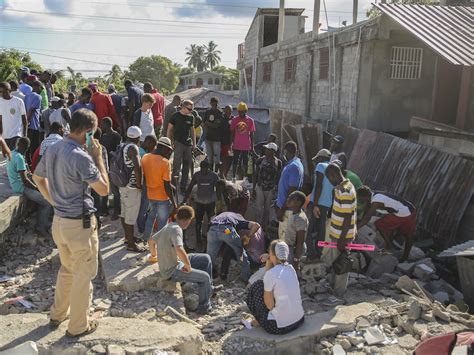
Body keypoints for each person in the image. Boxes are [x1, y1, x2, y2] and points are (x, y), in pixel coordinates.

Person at [33, 108, 109, 337]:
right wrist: (98, 157)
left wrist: (54, 201)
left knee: (67, 269)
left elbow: (37, 177)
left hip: (60, 221)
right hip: (80, 225)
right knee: (83, 276)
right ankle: (78, 326)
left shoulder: (54, 146)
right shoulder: (81, 156)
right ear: (88, 132)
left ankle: (58, 314)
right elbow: (104, 190)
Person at [155, 205, 219, 314]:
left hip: (174, 262)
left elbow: (151, 241)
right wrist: (188, 267)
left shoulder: (169, 225)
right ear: (186, 221)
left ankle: (209, 289)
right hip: (171, 271)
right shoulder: (177, 230)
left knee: (206, 259)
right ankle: (204, 308)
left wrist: (154, 255)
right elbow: (179, 249)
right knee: (204, 277)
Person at [246, 240, 304, 335]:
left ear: (273, 255)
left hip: (281, 327)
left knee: (257, 286)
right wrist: (270, 258)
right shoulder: (291, 268)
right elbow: (270, 278)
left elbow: (269, 305)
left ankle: (259, 320)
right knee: (269, 287)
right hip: (299, 320)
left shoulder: (271, 274)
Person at [6, 137, 52, 236]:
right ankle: (40, 228)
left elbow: (24, 174)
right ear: (26, 147)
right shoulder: (19, 158)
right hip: (21, 187)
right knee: (47, 202)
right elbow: (25, 180)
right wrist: (37, 188)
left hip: (15, 184)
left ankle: (35, 219)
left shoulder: (12, 153)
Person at [323, 163, 357, 298]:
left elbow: (348, 216)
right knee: (336, 262)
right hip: (337, 233)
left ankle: (339, 294)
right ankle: (334, 288)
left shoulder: (345, 191)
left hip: (342, 235)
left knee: (342, 264)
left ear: (333, 175)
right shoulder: (342, 187)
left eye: (329, 178)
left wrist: (343, 238)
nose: (329, 181)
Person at [357, 186, 416, 262]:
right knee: (408, 235)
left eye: (360, 198)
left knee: (380, 225)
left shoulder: (376, 201)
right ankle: (404, 257)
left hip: (402, 212)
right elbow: (366, 213)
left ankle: (389, 247)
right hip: (411, 209)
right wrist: (359, 222)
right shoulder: (373, 195)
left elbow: (367, 218)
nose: (359, 200)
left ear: (364, 197)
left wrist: (354, 230)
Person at [141, 136, 176, 263]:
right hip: (162, 197)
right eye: (168, 151)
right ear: (162, 147)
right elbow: (167, 185)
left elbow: (144, 178)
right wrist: (175, 203)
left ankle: (146, 241)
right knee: (162, 224)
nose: (168, 153)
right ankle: (160, 247)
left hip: (150, 195)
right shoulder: (165, 162)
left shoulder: (145, 158)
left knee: (150, 218)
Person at [207, 211, 260, 281]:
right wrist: (248, 237)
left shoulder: (221, 216)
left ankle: (207, 277)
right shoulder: (239, 219)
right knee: (241, 253)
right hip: (227, 230)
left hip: (212, 230)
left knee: (210, 257)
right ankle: (246, 277)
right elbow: (257, 225)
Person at [183, 159, 219, 251]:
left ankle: (208, 239)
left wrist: (220, 200)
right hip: (199, 203)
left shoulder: (214, 176)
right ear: (200, 168)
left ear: (208, 168)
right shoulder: (197, 175)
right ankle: (199, 240)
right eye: (202, 169)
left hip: (211, 203)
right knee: (198, 222)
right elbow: (190, 187)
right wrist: (184, 200)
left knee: (211, 222)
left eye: (205, 169)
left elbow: (219, 188)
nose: (203, 171)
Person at [119, 126, 144, 252]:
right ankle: (131, 244)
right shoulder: (133, 148)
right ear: (138, 137)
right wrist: (139, 185)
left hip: (123, 185)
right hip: (132, 186)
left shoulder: (123, 145)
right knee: (130, 216)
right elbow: (137, 168)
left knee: (124, 213)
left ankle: (128, 237)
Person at [306, 149, 333, 261]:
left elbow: (318, 186)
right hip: (327, 203)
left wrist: (315, 204)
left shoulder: (321, 166)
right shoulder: (333, 169)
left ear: (321, 158)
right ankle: (318, 252)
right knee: (321, 229)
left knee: (308, 227)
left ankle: (310, 253)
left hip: (316, 202)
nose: (316, 162)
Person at [275, 141, 304, 241]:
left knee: (285, 240)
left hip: (287, 210)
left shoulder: (294, 166)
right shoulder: (293, 164)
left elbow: (292, 191)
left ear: (287, 151)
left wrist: (282, 209)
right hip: (285, 207)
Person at [167, 99, 196, 193]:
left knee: (186, 165)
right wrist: (169, 142)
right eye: (189, 109)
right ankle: (173, 186)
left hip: (188, 144)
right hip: (178, 143)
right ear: (183, 107)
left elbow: (192, 131)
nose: (191, 111)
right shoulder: (175, 116)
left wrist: (194, 143)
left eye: (192, 109)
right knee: (176, 165)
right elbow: (169, 129)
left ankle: (183, 187)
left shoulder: (191, 117)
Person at [253, 142, 281, 232]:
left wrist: (276, 188)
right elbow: (256, 174)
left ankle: (264, 228)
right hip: (260, 187)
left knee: (267, 210)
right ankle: (258, 227)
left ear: (272, 151)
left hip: (270, 189)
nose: (265, 150)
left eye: (267, 149)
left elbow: (278, 176)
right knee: (258, 209)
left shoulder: (278, 162)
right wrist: (254, 187)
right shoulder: (260, 160)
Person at [99, 117, 122, 220]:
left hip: (113, 167)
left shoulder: (116, 136)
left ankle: (117, 211)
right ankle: (104, 209)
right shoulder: (103, 137)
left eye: (103, 124)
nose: (101, 126)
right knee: (105, 189)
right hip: (105, 166)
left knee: (115, 190)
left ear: (108, 125)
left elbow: (118, 151)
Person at [136, 135, 158, 234]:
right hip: (143, 184)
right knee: (143, 207)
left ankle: (142, 225)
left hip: (138, 183)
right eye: (153, 146)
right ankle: (142, 228)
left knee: (143, 206)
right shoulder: (143, 155)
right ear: (148, 143)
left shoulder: (139, 150)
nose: (153, 148)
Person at [283, 191, 308, 270]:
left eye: (291, 199)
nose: (288, 200)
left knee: (292, 271)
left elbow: (300, 242)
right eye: (288, 198)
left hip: (294, 250)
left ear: (298, 203)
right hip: (290, 248)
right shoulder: (294, 213)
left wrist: (296, 260)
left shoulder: (300, 219)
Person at [231, 102, 256, 181]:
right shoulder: (235, 120)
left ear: (246, 111)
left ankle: (245, 178)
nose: (241, 113)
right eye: (239, 111)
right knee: (235, 161)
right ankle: (233, 177)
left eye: (243, 111)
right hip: (236, 144)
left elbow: (252, 134)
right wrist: (231, 144)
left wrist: (252, 146)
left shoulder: (250, 120)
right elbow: (232, 133)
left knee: (246, 162)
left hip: (246, 145)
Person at [0, 82, 27, 150]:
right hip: (4, 136)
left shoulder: (18, 101)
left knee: (14, 156)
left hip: (16, 134)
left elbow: (24, 119)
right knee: (7, 159)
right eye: (0, 92)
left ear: (10, 91)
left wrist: (25, 135)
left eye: (5, 91)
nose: (2, 94)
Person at [203, 97, 224, 171]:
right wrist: (208, 125)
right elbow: (204, 123)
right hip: (208, 137)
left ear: (217, 103)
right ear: (210, 103)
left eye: (215, 103)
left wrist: (208, 123)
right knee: (209, 157)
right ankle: (211, 171)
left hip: (217, 138)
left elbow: (216, 125)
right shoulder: (207, 111)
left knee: (216, 156)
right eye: (212, 103)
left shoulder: (220, 112)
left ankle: (216, 173)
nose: (213, 104)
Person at [24, 80, 43, 157]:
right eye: (41, 88)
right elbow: (31, 110)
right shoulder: (38, 97)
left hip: (27, 125)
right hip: (33, 125)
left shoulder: (26, 96)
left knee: (27, 147)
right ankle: (33, 165)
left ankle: (29, 164)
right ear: (37, 87)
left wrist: (25, 123)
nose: (41, 89)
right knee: (34, 147)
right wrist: (28, 121)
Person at [220, 105, 234, 178]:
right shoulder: (221, 118)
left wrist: (231, 144)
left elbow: (233, 132)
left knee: (229, 159)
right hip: (221, 142)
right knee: (222, 159)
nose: (228, 111)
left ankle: (224, 174)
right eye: (227, 110)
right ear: (224, 110)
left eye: (230, 110)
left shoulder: (233, 119)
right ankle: (221, 174)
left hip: (230, 143)